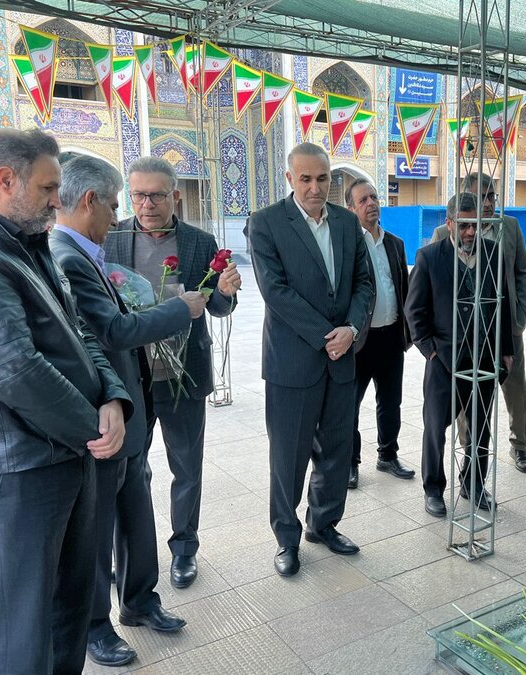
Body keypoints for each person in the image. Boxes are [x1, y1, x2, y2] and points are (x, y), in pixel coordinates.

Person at [0, 129, 131, 674]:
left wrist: (112, 396)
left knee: (70, 603)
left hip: (66, 447)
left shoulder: (26, 240)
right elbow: (14, 368)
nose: (56, 200)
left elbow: (79, 330)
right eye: (48, 188)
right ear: (6, 180)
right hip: (19, 464)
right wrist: (93, 429)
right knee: (26, 619)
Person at [51, 156, 208, 666]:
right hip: (107, 414)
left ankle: (140, 600)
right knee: (97, 528)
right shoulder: (69, 257)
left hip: (133, 404)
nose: (126, 211)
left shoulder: (89, 251)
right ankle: (95, 625)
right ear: (91, 201)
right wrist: (179, 307)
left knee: (136, 510)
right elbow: (113, 332)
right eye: (121, 201)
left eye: (152, 195)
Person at [104, 156, 242, 589]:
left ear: (175, 196)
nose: (147, 204)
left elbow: (216, 307)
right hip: (130, 377)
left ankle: (184, 548)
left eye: (157, 195)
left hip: (183, 376)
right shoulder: (112, 238)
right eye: (138, 195)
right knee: (129, 471)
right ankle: (129, 553)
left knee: (186, 468)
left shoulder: (199, 242)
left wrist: (225, 293)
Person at [247, 143, 373, 577]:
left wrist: (351, 329)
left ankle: (324, 523)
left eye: (322, 178)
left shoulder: (346, 222)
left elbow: (363, 283)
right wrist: (327, 337)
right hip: (293, 363)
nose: (315, 187)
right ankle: (287, 537)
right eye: (306, 179)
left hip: (341, 359)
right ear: (290, 179)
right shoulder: (266, 223)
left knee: (336, 450)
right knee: (289, 456)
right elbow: (275, 291)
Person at [406, 192, 514, 518]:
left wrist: (506, 350)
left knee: (481, 427)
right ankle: (433, 489)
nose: (470, 232)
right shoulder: (429, 257)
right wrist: (430, 350)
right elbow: (414, 310)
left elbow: (503, 305)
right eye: (464, 225)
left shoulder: (493, 253)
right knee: (435, 427)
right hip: (443, 360)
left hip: (484, 359)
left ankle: (474, 484)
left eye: (475, 225)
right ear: (449, 223)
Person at [431, 172, 526, 472]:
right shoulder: (443, 233)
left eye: (492, 196)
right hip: (464, 333)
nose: (489, 203)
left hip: (504, 328)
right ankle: (470, 451)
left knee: (515, 387)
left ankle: (520, 445)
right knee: (468, 394)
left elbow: (522, 272)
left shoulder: (509, 227)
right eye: (482, 196)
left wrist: (520, 315)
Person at [344, 179, 414, 489]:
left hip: (391, 339)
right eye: (363, 200)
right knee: (350, 406)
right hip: (359, 341)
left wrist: (408, 333)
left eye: (374, 197)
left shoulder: (395, 243)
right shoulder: (348, 246)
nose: (371, 203)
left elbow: (404, 288)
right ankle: (350, 462)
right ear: (351, 209)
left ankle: (388, 455)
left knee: (390, 402)